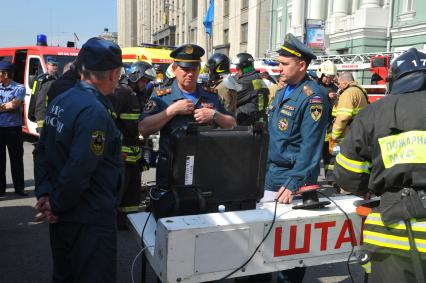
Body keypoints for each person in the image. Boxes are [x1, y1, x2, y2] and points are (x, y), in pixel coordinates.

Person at [34, 37, 124, 283]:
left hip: (65, 215)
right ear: (115, 73)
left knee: (65, 275)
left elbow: (41, 150)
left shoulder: (62, 99)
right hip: (89, 219)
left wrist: (44, 194)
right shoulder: (94, 111)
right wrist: (57, 205)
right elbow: (79, 169)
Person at [334, 48, 426, 282]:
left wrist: (371, 187)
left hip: (392, 231)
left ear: (393, 80)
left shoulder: (373, 114)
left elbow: (348, 173)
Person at [264, 33, 329, 283]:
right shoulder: (283, 92)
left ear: (301, 65)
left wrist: (294, 183)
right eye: (278, 63)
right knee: (266, 240)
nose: (278, 68)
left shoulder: (313, 96)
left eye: (284, 64)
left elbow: (310, 148)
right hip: (272, 175)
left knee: (289, 251)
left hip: (291, 180)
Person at [139, 44, 236, 188]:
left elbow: (233, 124)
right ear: (174, 69)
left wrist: (215, 115)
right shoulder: (162, 95)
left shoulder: (210, 95)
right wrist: (171, 111)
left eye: (194, 69)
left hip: (203, 171)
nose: (190, 74)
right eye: (185, 69)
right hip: (171, 171)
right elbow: (143, 128)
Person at [109, 61, 156, 229]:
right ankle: (110, 222)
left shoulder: (136, 94)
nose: (145, 85)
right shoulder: (122, 92)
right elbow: (110, 120)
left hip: (134, 151)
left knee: (132, 192)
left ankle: (127, 221)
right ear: (134, 75)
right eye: (143, 80)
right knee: (118, 190)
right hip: (121, 152)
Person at [0, 61, 26, 197]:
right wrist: (6, 106)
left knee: (16, 159)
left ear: (5, 74)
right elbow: (9, 105)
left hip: (13, 129)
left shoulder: (20, 88)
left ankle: (19, 188)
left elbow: (14, 105)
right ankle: (1, 189)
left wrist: (4, 106)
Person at [329, 72, 368, 156]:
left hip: (347, 134)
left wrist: (334, 135)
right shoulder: (359, 90)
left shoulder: (348, 93)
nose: (338, 86)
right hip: (359, 131)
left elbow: (343, 117)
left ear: (344, 82)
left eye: (339, 83)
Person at [314, 60, 339, 185]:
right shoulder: (314, 86)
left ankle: (332, 179)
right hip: (316, 127)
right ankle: (312, 179)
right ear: (321, 74)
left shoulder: (335, 88)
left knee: (330, 154)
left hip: (330, 127)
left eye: (331, 77)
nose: (329, 80)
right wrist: (326, 95)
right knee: (315, 155)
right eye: (327, 77)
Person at [232, 52, 269, 125]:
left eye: (238, 67)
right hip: (259, 117)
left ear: (243, 67)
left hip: (246, 120)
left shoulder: (246, 81)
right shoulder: (256, 78)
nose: (236, 69)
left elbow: (231, 99)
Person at [28, 59, 58, 133]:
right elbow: (37, 99)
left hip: (55, 113)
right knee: (43, 136)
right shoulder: (41, 79)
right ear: (47, 65)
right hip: (42, 114)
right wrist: (36, 115)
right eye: (53, 65)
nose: (55, 67)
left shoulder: (59, 79)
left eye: (56, 65)